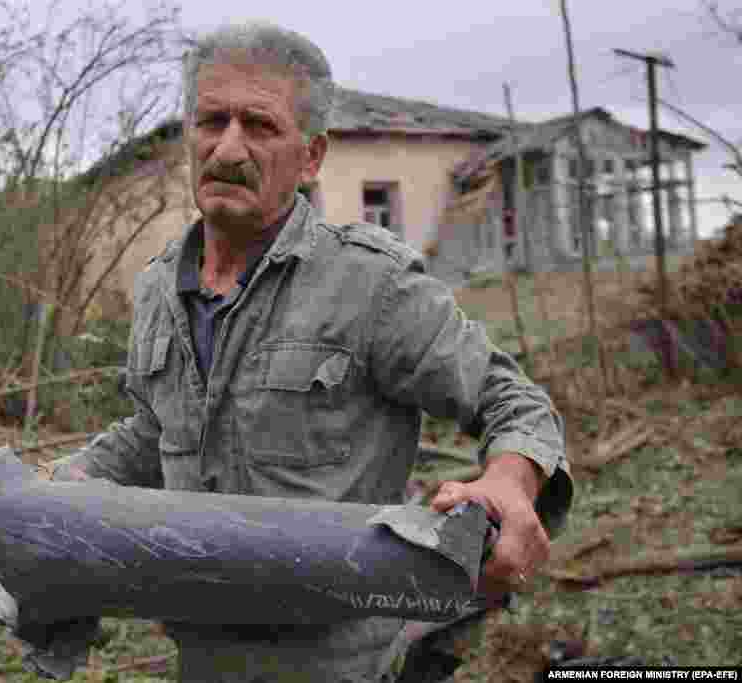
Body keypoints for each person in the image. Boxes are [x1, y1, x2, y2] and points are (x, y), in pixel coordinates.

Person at [42, 20, 573, 683]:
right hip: (202, 662)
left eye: (259, 126)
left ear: (313, 156)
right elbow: (157, 434)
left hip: (344, 665)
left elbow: (511, 398)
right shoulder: (157, 292)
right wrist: (70, 479)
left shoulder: (368, 284)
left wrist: (509, 481)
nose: (228, 147)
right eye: (211, 121)